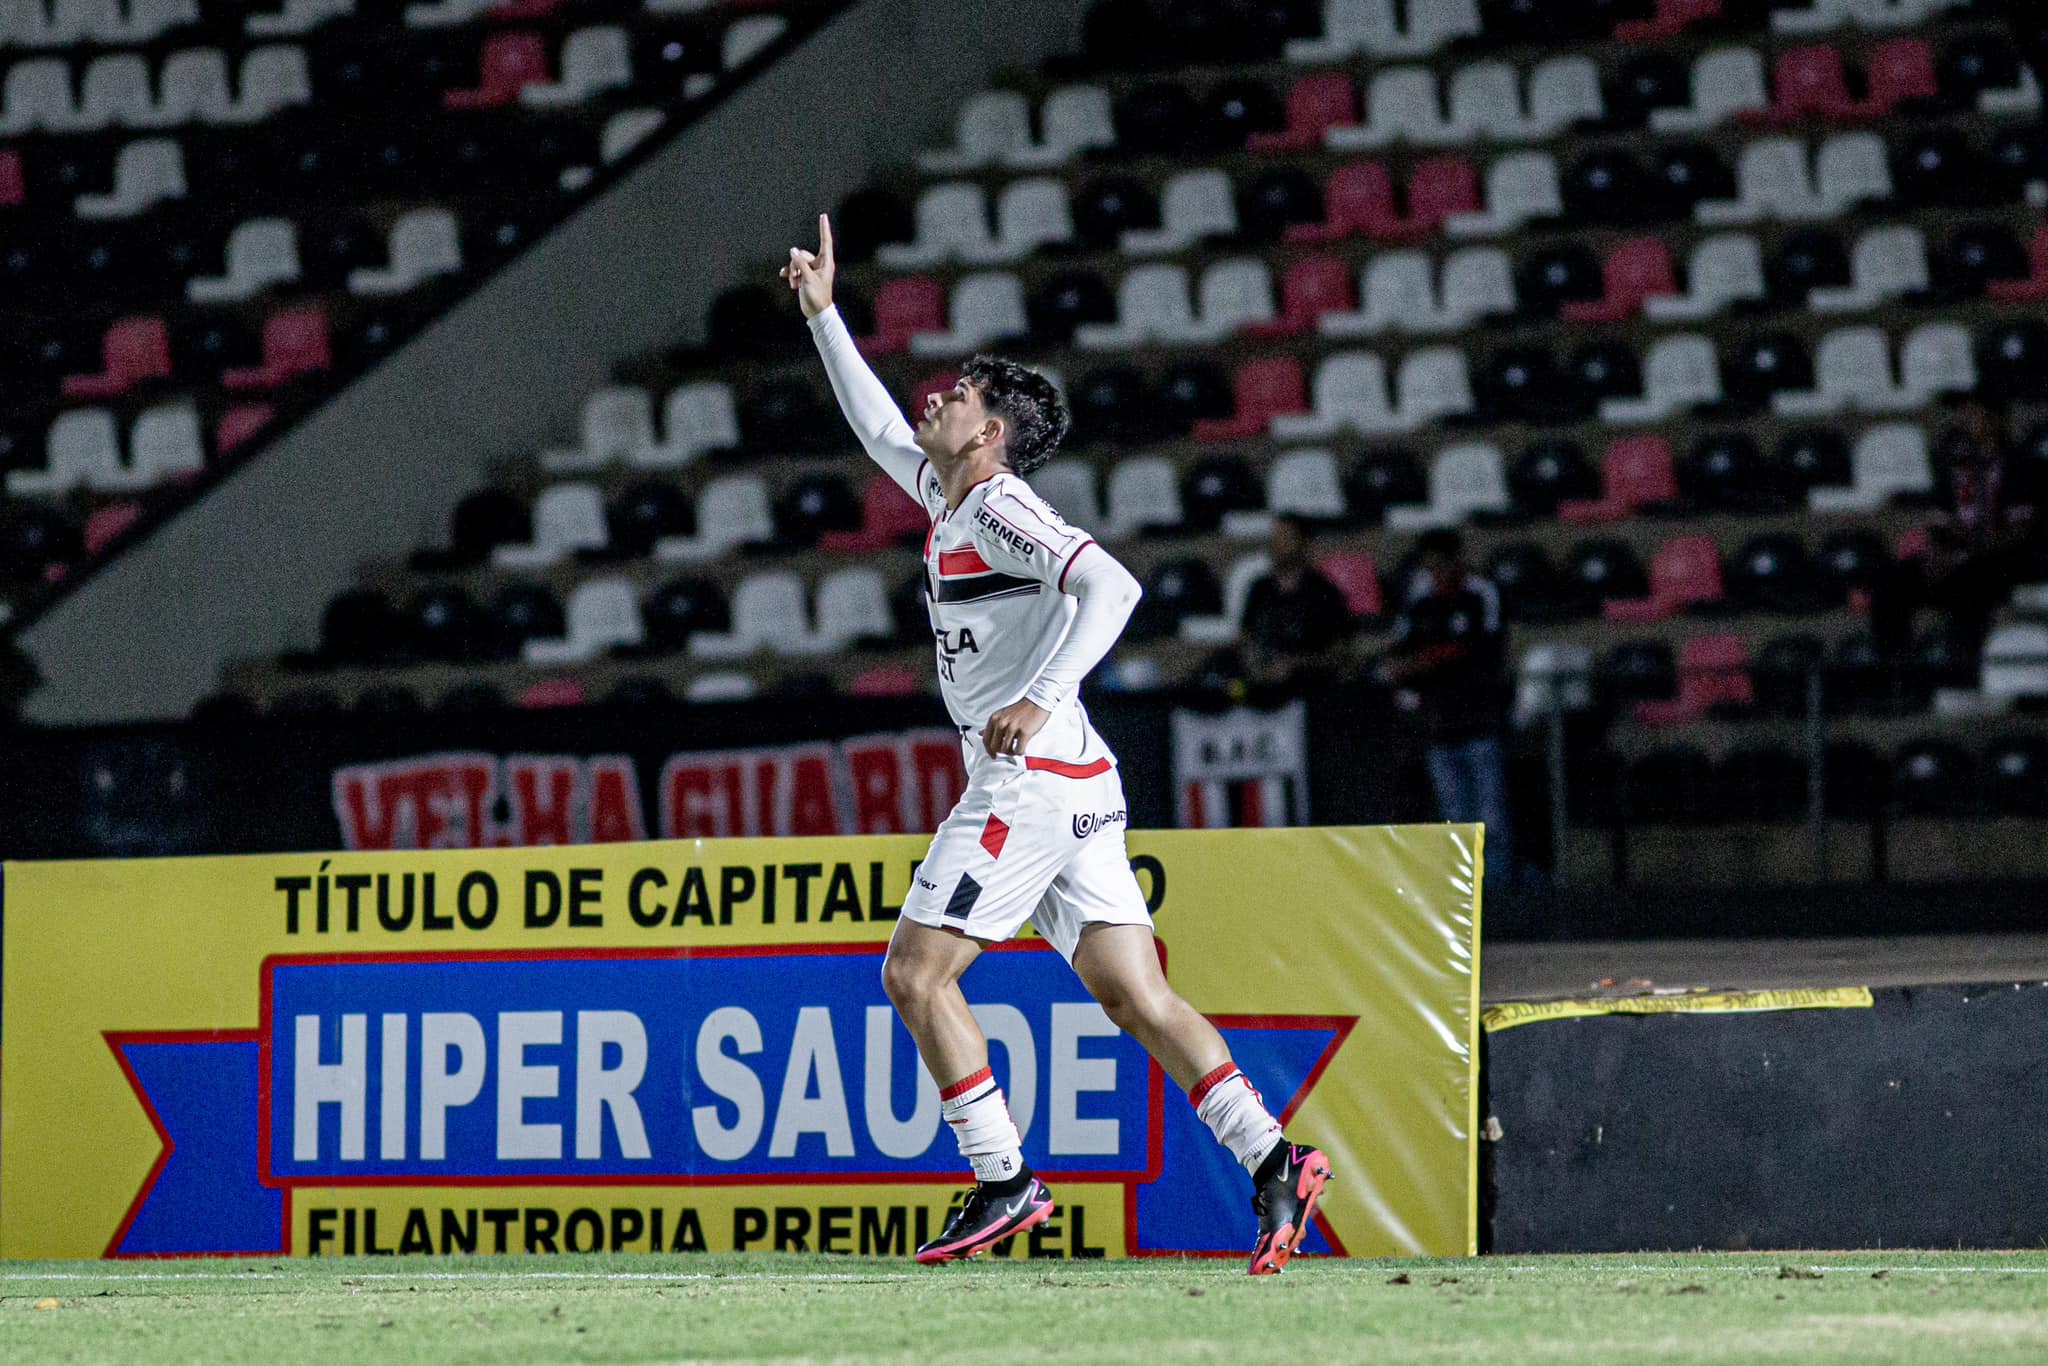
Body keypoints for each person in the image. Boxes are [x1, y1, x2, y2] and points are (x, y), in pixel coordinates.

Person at [782, 216, 1329, 1274]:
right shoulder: (949, 493)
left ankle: (1001, 1177)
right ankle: (1270, 1158)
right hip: (1078, 780)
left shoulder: (996, 506)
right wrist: (823, 316)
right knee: (1137, 996)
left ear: (988, 437)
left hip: (1028, 776)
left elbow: (1112, 585)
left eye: (958, 398)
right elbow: (875, 427)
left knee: (914, 975)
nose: (933, 400)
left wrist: (1034, 696)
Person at [1383, 529, 1513, 891]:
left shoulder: (1481, 594)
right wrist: (1417, 665)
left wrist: (1431, 661)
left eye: (1442, 563)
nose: (1436, 572)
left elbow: (1485, 651)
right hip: (1438, 727)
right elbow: (1400, 652)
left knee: (1492, 822)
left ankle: (1501, 901)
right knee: (1455, 823)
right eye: (1430, 566)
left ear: (1457, 559)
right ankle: (1465, 900)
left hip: (1479, 722)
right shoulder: (1421, 599)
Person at [1241, 515, 1354, 691]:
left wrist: (1297, 664)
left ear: (1303, 542)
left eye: (1286, 537)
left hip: (1311, 687)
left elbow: (1341, 652)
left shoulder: (1324, 591)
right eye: (1275, 537)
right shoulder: (1260, 589)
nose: (1278, 544)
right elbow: (1246, 636)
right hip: (1264, 684)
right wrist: (1257, 667)